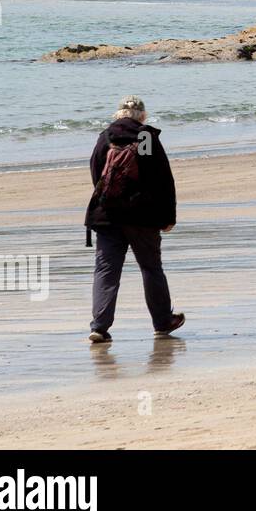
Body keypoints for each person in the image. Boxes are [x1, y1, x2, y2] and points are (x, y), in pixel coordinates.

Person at [84, 96, 185, 344]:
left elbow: (97, 174)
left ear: (118, 114)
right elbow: (160, 179)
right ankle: (162, 322)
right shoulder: (145, 138)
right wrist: (168, 217)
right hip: (142, 217)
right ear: (142, 115)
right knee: (150, 268)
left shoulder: (105, 137)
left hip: (107, 216)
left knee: (106, 271)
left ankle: (99, 327)